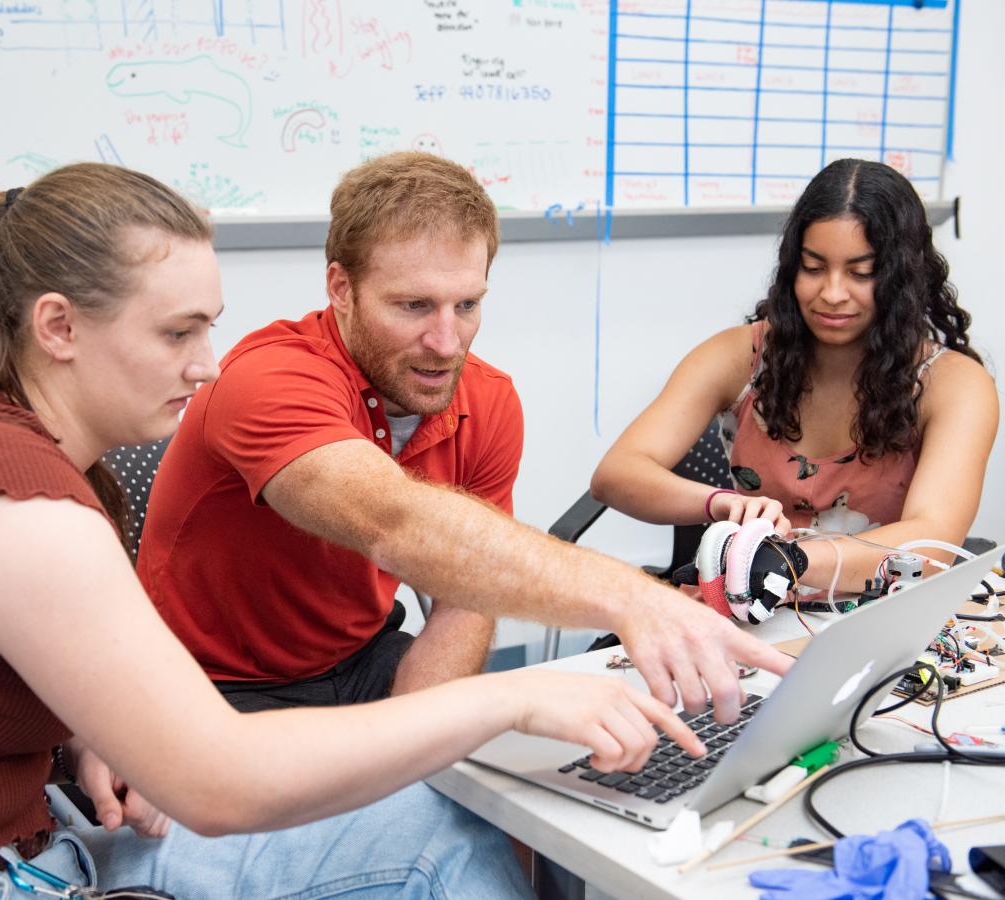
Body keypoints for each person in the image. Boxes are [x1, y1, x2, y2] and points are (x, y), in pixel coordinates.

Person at [0, 162, 716, 900]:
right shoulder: (10, 490)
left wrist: (86, 738)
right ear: (58, 327)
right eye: (177, 334)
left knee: (464, 822)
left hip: (23, 826)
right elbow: (222, 780)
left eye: (210, 329)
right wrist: (514, 698)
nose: (205, 366)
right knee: (442, 842)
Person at [139, 151, 790, 719]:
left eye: (467, 305)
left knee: (502, 799)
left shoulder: (487, 399)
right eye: (413, 306)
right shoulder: (269, 378)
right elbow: (395, 522)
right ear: (341, 288)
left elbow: (466, 584)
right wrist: (631, 599)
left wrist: (415, 756)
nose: (446, 343)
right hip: (214, 687)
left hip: (363, 659)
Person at [592, 158, 998, 596]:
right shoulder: (739, 356)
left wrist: (791, 561)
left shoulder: (954, 386)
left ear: (903, 278)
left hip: (880, 622)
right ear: (791, 267)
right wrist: (721, 503)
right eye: (813, 267)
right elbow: (616, 474)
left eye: (861, 273)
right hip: (753, 615)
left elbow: (931, 544)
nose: (832, 293)